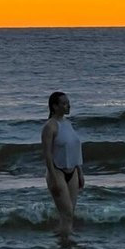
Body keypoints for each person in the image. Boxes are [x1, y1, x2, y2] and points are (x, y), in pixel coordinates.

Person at [41, 91, 84, 240]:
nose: (68, 106)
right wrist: (53, 178)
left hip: (72, 171)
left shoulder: (68, 123)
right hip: (57, 171)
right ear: (54, 106)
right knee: (67, 213)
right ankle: (65, 245)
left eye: (68, 103)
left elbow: (73, 149)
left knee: (69, 213)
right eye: (64, 104)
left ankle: (63, 242)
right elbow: (47, 154)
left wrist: (80, 172)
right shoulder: (50, 126)